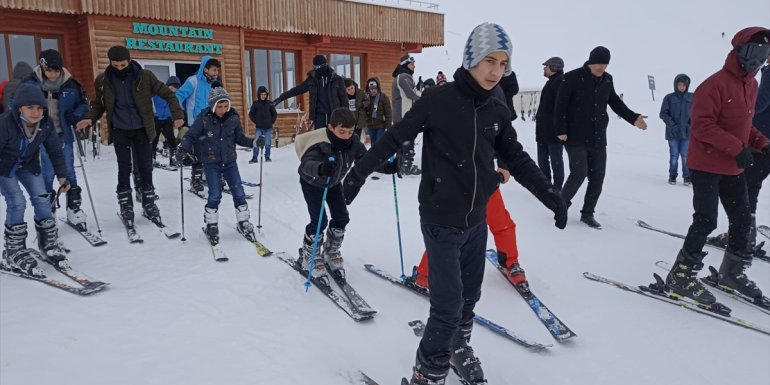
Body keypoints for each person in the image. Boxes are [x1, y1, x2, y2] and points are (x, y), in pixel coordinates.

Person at [343, 23, 567, 385]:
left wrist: (549, 193)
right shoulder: (438, 100)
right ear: (471, 59)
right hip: (441, 219)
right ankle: (428, 371)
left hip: (476, 219)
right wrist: (356, 176)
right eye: (489, 61)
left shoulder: (496, 106)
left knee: (470, 297)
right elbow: (395, 138)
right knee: (447, 305)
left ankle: (458, 347)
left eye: (503, 64)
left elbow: (515, 155)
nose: (496, 71)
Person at [664, 27, 770, 305]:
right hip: (706, 164)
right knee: (706, 219)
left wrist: (761, 143)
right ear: (739, 51)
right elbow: (702, 126)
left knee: (742, 220)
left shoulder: (751, 86)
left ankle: (731, 273)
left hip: (732, 167)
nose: (758, 59)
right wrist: (737, 148)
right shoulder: (714, 85)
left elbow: (744, 125)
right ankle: (680, 275)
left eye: (764, 53)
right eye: (755, 51)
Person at [76, 45, 184, 226]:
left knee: (145, 166)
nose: (119, 68)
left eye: (123, 65)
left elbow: (169, 95)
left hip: (142, 129)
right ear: (110, 63)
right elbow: (98, 104)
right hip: (120, 130)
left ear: (129, 60)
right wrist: (90, 118)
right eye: (115, 65)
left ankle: (149, 202)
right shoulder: (103, 80)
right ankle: (125, 204)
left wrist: (177, 114)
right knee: (124, 167)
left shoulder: (145, 76)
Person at [554, 46, 648, 229]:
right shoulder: (572, 77)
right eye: (599, 63)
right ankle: (560, 207)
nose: (602, 67)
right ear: (590, 62)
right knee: (579, 174)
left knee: (597, 177)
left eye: (605, 64)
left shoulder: (607, 79)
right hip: (574, 137)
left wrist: (633, 118)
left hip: (598, 137)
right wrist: (560, 130)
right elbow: (560, 105)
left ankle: (588, 213)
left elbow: (615, 103)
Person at [408, 167, 525, 291]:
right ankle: (426, 275)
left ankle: (511, 263)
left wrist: (503, 165)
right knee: (450, 229)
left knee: (500, 222)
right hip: (456, 181)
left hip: (484, 179)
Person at [1, 84, 71, 273]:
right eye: (30, 107)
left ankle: (48, 244)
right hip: (4, 167)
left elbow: (54, 150)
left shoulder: (46, 123)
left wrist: (62, 176)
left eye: (39, 107)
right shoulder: (5, 123)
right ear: (19, 108)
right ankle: (13, 252)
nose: (35, 112)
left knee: (42, 198)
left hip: (27, 164)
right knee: (17, 202)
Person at [294, 107, 367, 281]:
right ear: (331, 127)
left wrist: (386, 166)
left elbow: (367, 159)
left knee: (341, 217)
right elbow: (305, 165)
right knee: (319, 221)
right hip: (312, 183)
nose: (347, 136)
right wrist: (321, 168)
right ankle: (310, 256)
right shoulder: (321, 143)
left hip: (333, 184)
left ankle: (331, 251)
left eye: (350, 131)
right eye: (342, 131)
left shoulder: (354, 143)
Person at [176, 86, 256, 243]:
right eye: (219, 106)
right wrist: (182, 148)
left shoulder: (233, 117)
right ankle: (211, 224)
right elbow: (191, 135)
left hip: (230, 162)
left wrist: (254, 142)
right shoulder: (205, 117)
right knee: (215, 194)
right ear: (213, 105)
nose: (223, 110)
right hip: (211, 162)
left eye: (226, 106)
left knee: (238, 191)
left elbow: (240, 138)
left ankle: (244, 221)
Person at [23, 49, 90, 230]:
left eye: (56, 70)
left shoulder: (71, 84)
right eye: (49, 71)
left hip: (63, 134)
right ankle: (48, 210)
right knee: (47, 172)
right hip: (41, 136)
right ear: (42, 68)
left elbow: (83, 103)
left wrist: (75, 115)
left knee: (69, 170)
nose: (53, 74)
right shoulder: (30, 84)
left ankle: (74, 209)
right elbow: (17, 104)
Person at [175, 56, 221, 192]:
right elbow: (178, 96)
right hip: (196, 124)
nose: (216, 73)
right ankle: (196, 180)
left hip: (211, 123)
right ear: (205, 69)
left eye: (217, 70)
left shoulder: (214, 85)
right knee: (199, 154)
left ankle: (214, 176)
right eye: (214, 70)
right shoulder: (193, 81)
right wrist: (178, 113)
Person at [272, 55, 347, 130]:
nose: (316, 69)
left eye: (318, 67)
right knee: (320, 136)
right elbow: (297, 90)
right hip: (319, 117)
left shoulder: (337, 79)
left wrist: (346, 116)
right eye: (314, 67)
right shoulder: (312, 80)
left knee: (334, 136)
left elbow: (344, 99)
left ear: (325, 65)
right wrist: (281, 98)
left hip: (334, 116)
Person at [535, 57, 566, 190]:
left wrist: (561, 129)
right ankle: (546, 185)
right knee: (542, 160)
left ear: (554, 67)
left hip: (554, 132)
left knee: (556, 161)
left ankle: (557, 189)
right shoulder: (551, 82)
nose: (544, 68)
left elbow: (562, 109)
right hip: (543, 130)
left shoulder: (560, 83)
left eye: (546, 66)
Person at [659, 74, 693, 185]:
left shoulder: (692, 98)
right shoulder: (669, 98)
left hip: (686, 134)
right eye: (679, 85)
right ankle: (672, 176)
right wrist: (672, 125)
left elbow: (697, 113)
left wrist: (690, 125)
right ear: (676, 85)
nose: (681, 87)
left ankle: (687, 177)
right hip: (672, 133)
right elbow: (663, 113)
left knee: (685, 155)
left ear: (687, 86)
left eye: (684, 85)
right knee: (674, 155)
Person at [392, 54, 422, 175]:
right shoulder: (403, 76)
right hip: (404, 116)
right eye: (411, 64)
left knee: (402, 141)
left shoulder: (402, 76)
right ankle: (406, 166)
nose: (414, 66)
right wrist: (423, 94)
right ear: (405, 65)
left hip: (401, 115)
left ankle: (400, 165)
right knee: (407, 141)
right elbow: (412, 94)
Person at [152, 76, 182, 165]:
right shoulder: (157, 93)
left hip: (167, 120)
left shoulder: (173, 97)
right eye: (171, 88)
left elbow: (176, 108)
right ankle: (152, 159)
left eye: (175, 89)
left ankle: (173, 159)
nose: (173, 90)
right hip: (156, 119)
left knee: (171, 139)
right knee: (154, 139)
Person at [248, 86, 277, 163]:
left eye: (265, 94)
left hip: (268, 127)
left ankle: (267, 157)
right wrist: (256, 121)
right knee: (256, 142)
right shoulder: (256, 104)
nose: (263, 96)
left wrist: (271, 121)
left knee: (267, 143)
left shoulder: (270, 104)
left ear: (266, 95)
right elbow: (251, 114)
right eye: (262, 94)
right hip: (259, 127)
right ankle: (255, 157)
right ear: (259, 95)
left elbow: (274, 114)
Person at [362, 77, 392, 146]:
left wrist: (388, 126)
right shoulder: (365, 98)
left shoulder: (383, 97)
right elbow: (362, 112)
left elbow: (388, 113)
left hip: (380, 126)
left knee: (379, 144)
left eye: (375, 88)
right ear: (369, 89)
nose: (374, 90)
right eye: (372, 89)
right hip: (369, 126)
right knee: (373, 145)